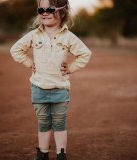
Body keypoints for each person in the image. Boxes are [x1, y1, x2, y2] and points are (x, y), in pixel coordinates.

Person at [10, 0, 92, 159]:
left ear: (62, 11)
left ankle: (62, 154)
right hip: (38, 88)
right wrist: (29, 63)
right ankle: (43, 153)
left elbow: (85, 54)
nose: (44, 12)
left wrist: (70, 68)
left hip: (60, 89)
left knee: (59, 122)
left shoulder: (68, 37)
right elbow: (16, 50)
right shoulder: (34, 35)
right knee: (43, 122)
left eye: (50, 9)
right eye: (41, 9)